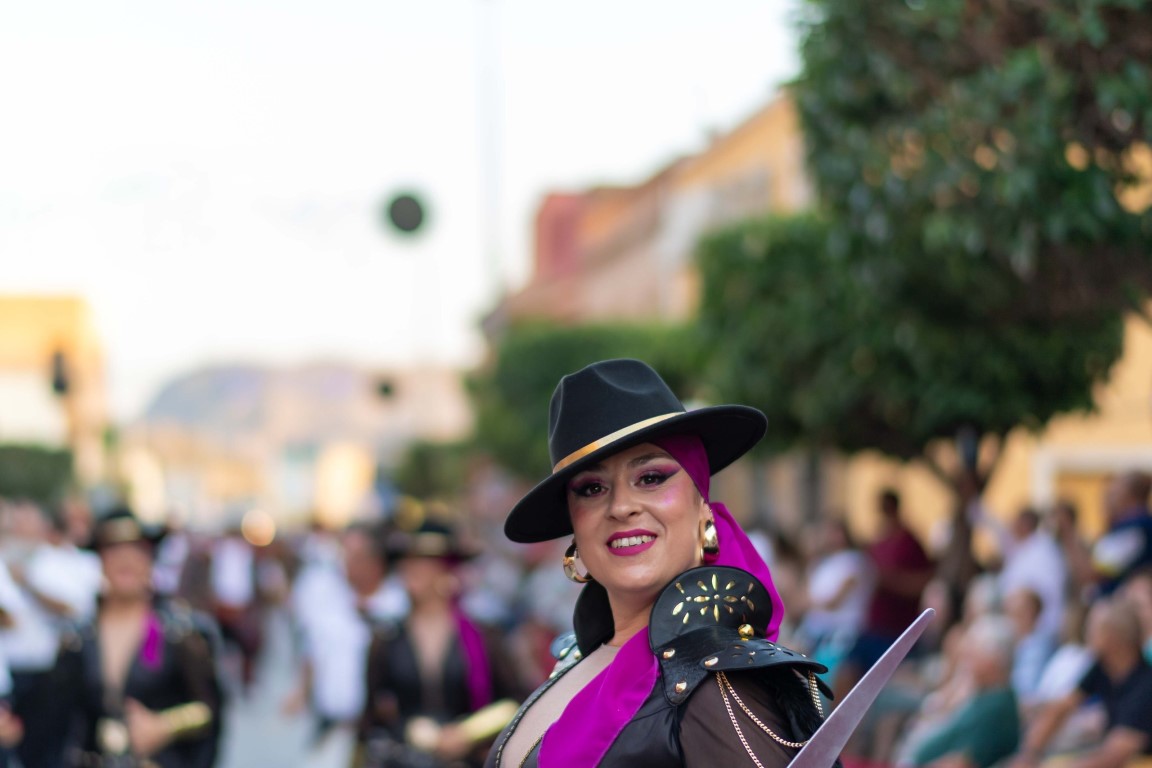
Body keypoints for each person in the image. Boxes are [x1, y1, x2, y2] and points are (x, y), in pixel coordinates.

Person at [484, 359, 833, 768]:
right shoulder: (572, 658)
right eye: (592, 488)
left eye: (651, 478)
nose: (621, 506)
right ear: (574, 527)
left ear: (702, 505)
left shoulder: (720, 685)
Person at [54, 506, 223, 768]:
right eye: (113, 550)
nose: (125, 560)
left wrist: (166, 725)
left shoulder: (178, 631)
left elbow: (210, 709)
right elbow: (58, 719)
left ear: (150, 558)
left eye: (136, 550)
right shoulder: (78, 636)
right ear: (100, 559)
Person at [361, 516, 523, 768]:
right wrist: (412, 730)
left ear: (448, 569)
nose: (412, 569)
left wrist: (468, 732)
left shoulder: (483, 635)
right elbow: (371, 716)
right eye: (407, 560)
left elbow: (514, 702)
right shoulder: (387, 637)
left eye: (424, 561)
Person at [1011, 596, 1152, 766]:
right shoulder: (1102, 667)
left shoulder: (1145, 687)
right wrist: (1030, 753)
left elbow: (1117, 754)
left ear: (1115, 636)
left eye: (1094, 629)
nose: (1087, 634)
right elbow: (1060, 709)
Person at [834, 489, 934, 705]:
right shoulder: (878, 542)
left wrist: (890, 581)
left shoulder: (909, 542)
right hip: (874, 627)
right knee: (845, 675)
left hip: (896, 629)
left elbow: (922, 581)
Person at [900, 615, 1021, 768]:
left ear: (994, 660)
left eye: (974, 652)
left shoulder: (998, 707)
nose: (966, 658)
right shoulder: (985, 695)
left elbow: (963, 762)